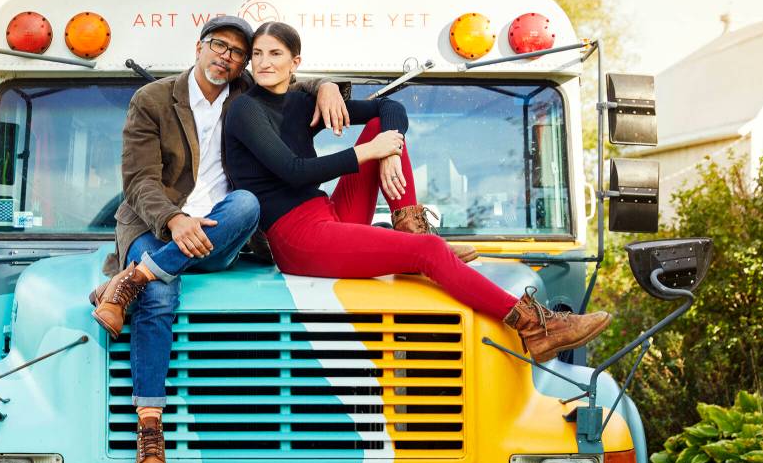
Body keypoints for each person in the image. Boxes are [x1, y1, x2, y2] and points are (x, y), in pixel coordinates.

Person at [223, 21, 613, 368]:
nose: (264, 62)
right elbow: (293, 172)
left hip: (327, 214)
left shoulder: (304, 102)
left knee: (382, 125)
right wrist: (367, 152)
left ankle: (412, 231)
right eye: (257, 54)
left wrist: (389, 149)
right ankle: (532, 324)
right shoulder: (245, 110)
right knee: (429, 251)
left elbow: (390, 107)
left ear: (296, 61)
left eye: (275, 53)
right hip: (297, 236)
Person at [89, 16, 350, 463]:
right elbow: (139, 180)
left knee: (247, 202)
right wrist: (173, 219)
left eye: (236, 52)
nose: (225, 57)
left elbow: (287, 78)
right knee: (161, 297)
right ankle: (150, 431)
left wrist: (327, 85)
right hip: (159, 224)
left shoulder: (245, 96)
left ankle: (133, 278)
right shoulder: (151, 100)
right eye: (217, 45)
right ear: (198, 47)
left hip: (220, 229)